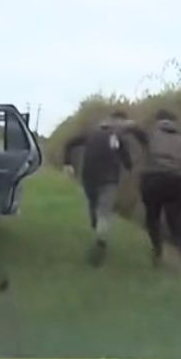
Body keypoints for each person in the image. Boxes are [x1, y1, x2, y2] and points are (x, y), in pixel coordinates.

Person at [62, 110, 137, 266]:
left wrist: (67, 162)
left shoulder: (91, 132)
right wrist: (130, 167)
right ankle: (101, 237)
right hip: (109, 179)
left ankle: (100, 238)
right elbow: (127, 161)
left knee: (94, 207)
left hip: (89, 178)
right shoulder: (118, 138)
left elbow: (70, 143)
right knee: (103, 211)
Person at [132, 109, 181, 269]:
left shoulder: (151, 135)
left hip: (153, 180)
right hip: (176, 182)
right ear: (174, 122)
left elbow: (137, 133)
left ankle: (157, 251)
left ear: (158, 121)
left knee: (152, 218)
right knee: (178, 221)